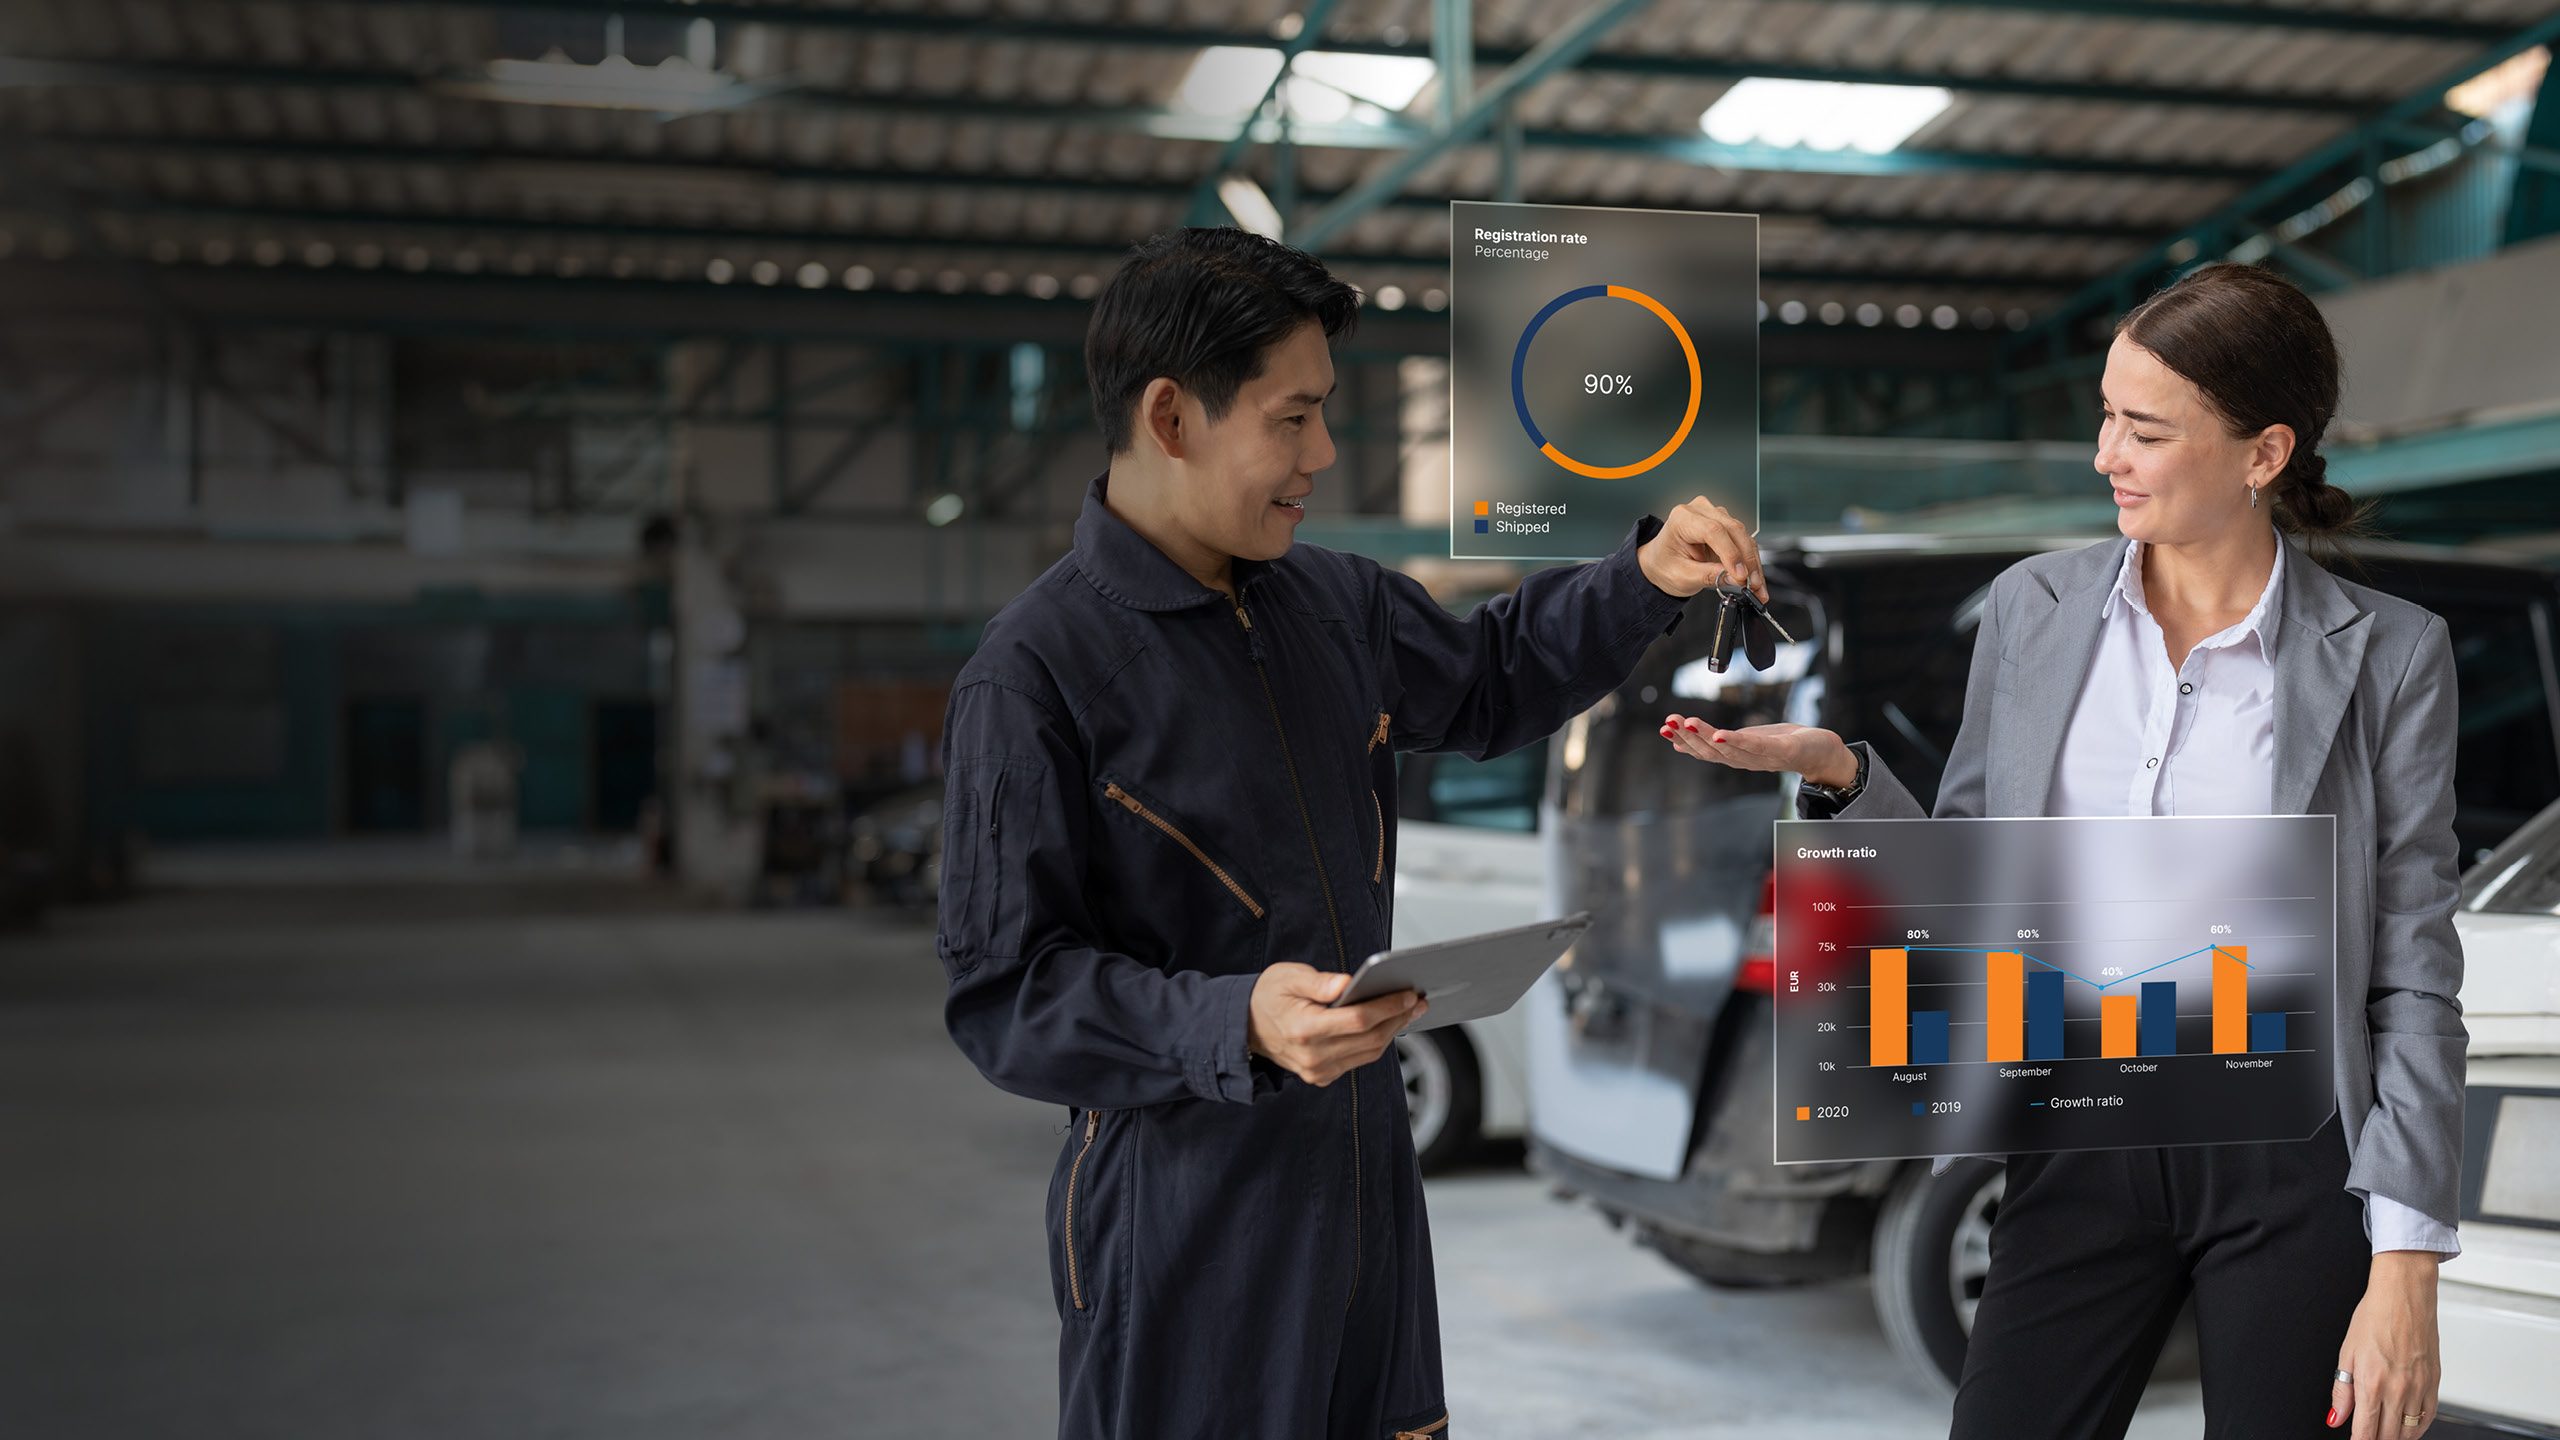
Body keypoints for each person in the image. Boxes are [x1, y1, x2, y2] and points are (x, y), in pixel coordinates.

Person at [935, 227, 1761, 1440]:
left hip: (1366, 1183)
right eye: (1293, 418)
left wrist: (1645, 577)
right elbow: (1007, 994)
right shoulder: (1034, 678)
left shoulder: (1332, 603)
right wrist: (1234, 1021)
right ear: (1171, 417)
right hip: (1183, 1219)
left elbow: (1490, 675)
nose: (1322, 453)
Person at [1660, 264, 2462, 1440]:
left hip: (2293, 1155)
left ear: (2263, 452)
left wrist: (2407, 1263)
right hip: (2070, 1129)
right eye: (2104, 417)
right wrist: (1842, 775)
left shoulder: (2389, 655)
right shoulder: (2033, 609)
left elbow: (2411, 967)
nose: (2105, 456)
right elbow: (1970, 886)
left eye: (2144, 429)